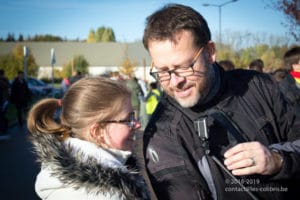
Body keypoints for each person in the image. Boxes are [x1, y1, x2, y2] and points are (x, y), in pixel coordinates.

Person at [139, 4, 300, 200]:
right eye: (163, 71)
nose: (175, 82)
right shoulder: (162, 135)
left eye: (184, 67)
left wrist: (278, 161)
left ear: (210, 52)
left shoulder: (259, 86)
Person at [27, 77, 150, 200]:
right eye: (128, 119)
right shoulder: (109, 195)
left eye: (133, 116)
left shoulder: (63, 171)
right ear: (97, 132)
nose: (137, 124)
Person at [0, 69, 10, 135]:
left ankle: (4, 129)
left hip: (4, 101)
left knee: (2, 115)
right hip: (4, 100)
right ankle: (4, 128)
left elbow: (6, 88)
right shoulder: (5, 80)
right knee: (2, 115)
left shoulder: (4, 81)